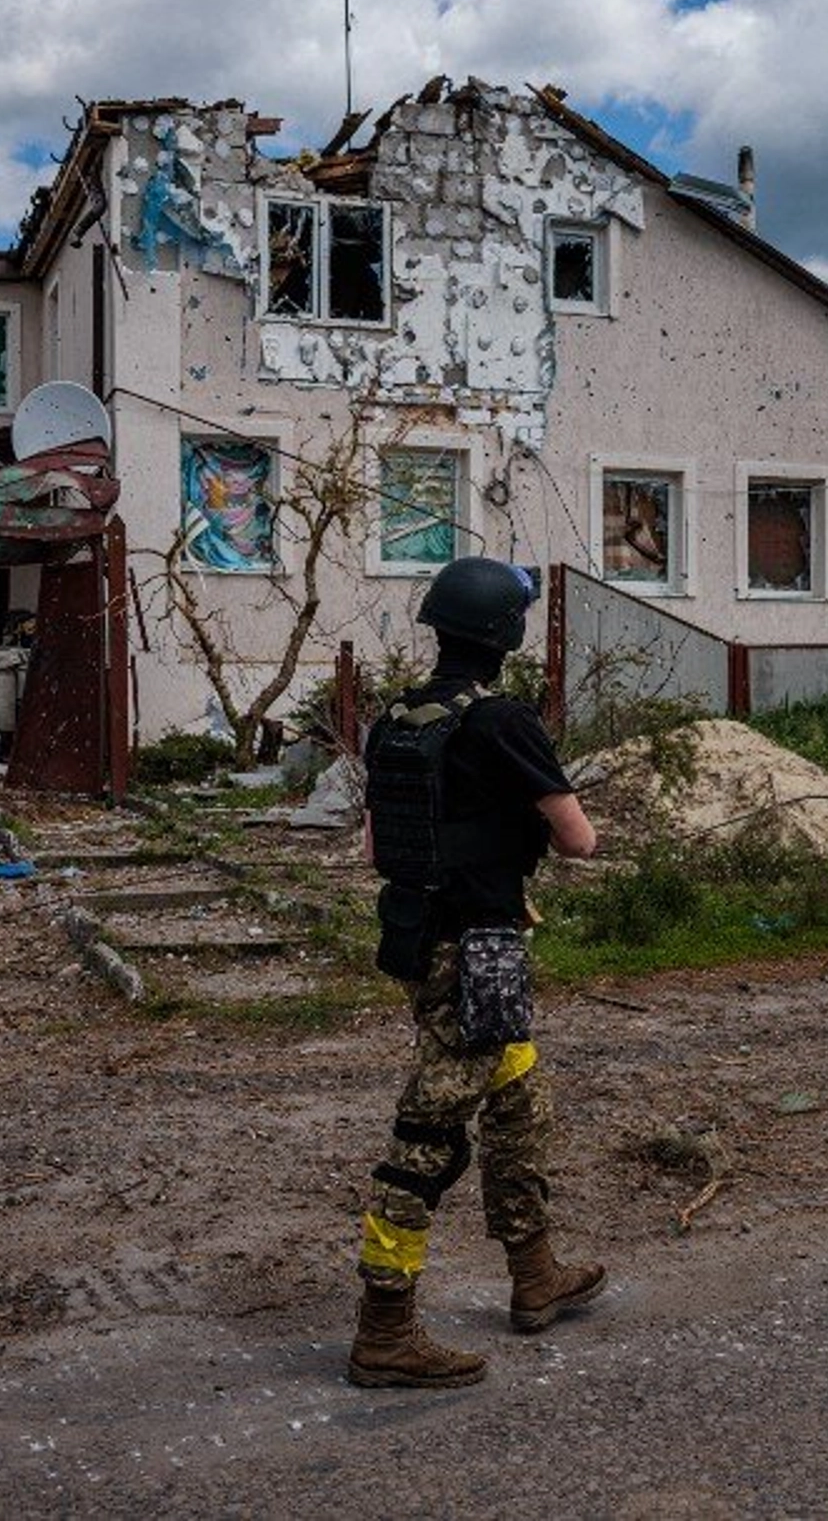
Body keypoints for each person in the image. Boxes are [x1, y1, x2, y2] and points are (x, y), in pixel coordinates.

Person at [346, 556, 605, 1389]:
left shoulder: (396, 719)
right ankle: (384, 1326)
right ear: (508, 635)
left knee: (519, 1095)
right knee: (427, 1139)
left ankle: (536, 1274)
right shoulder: (502, 721)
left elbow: (377, 848)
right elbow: (579, 840)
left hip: (423, 940)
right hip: (482, 952)